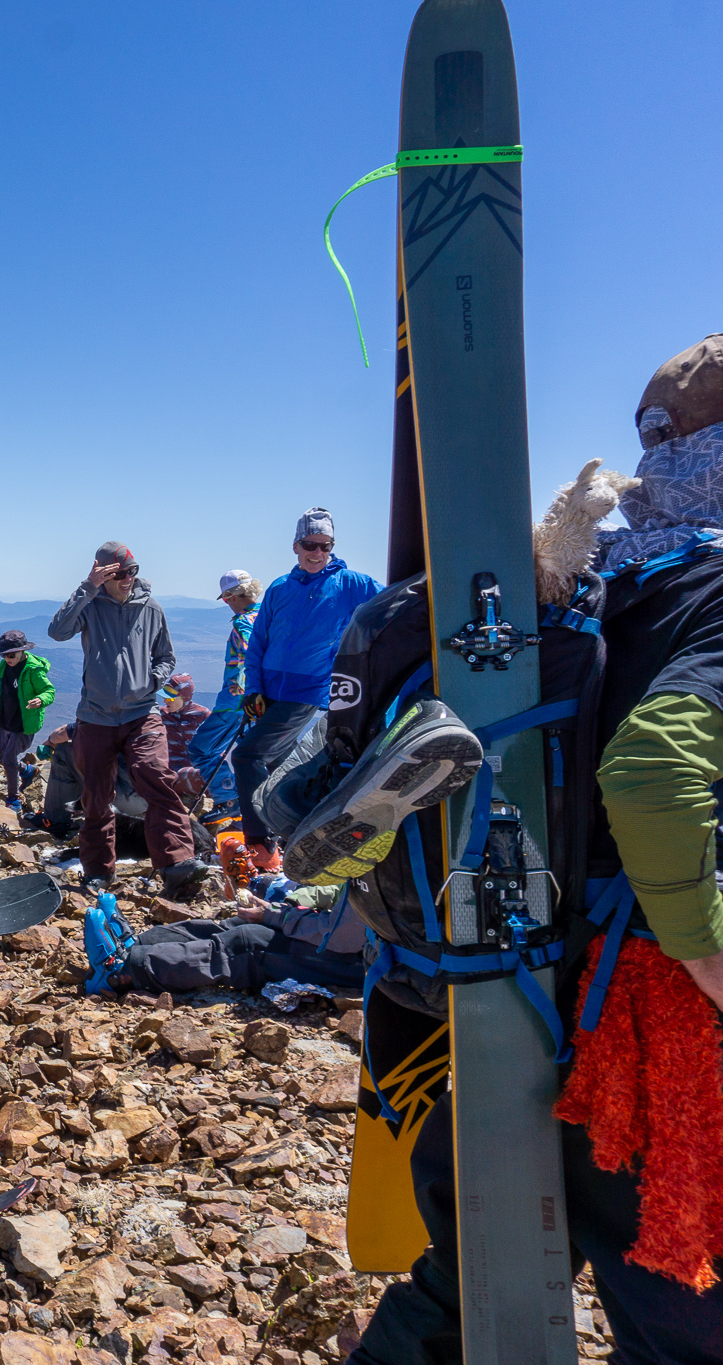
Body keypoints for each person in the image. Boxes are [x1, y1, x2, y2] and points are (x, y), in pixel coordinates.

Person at [353, 336, 723, 1362]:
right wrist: (709, 957)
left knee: (472, 1285)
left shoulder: (581, 580)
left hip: (504, 989)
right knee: (680, 1315)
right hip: (651, 1032)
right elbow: (653, 773)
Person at [46, 541, 217, 897]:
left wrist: (151, 681)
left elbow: (166, 655)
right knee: (96, 796)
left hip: (142, 713)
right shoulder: (90, 605)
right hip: (95, 716)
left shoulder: (150, 607)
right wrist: (87, 587)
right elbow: (57, 631)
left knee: (156, 778)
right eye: (118, 574)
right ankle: (99, 871)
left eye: (132, 572)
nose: (127, 579)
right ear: (104, 574)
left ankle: (175, 863)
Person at [232, 512, 380, 872]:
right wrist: (254, 689)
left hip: (308, 691)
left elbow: (391, 604)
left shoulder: (351, 584)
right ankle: (297, 837)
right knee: (277, 763)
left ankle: (260, 843)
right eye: (309, 545)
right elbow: (259, 643)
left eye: (324, 546)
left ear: (331, 548)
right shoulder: (280, 587)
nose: (316, 552)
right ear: (296, 546)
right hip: (268, 691)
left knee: (246, 756)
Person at [82, 883, 364, 996]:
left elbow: (342, 938)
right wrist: (293, 902)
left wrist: (277, 917)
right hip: (348, 934)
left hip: (361, 962)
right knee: (237, 924)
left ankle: (123, 972)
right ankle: (137, 946)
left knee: (249, 943)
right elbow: (340, 890)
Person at [188, 570, 262, 835]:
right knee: (249, 755)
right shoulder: (270, 616)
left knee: (202, 749)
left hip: (235, 700)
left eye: (226, 599)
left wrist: (241, 683)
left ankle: (228, 801)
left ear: (232, 596)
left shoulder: (243, 623)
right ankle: (254, 811)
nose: (227, 603)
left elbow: (248, 653)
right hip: (264, 698)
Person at [0, 630, 55, 812]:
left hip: (23, 724)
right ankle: (27, 770)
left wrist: (40, 700)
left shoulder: (33, 669)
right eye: (3, 654)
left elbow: (49, 691)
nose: (6, 658)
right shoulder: (5, 665)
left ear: (22, 651)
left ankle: (13, 798)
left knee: (8, 759)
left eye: (10, 654)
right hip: (6, 719)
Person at [158, 674, 211, 804]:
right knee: (207, 777)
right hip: (171, 773)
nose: (165, 701)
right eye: (165, 697)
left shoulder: (203, 715)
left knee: (217, 775)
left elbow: (217, 748)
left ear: (185, 697)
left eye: (170, 698)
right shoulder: (160, 715)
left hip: (198, 769)